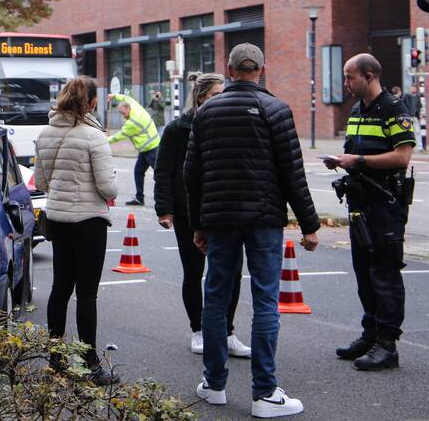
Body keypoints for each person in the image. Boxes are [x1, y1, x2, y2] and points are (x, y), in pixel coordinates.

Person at [184, 43, 319, 418]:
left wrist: (197, 224)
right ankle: (265, 392)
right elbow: (293, 173)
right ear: (262, 69)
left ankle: (214, 385)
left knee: (216, 299)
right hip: (264, 219)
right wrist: (309, 225)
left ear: (229, 70)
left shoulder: (207, 111)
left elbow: (191, 173)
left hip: (220, 220)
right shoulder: (276, 109)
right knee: (265, 301)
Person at [325, 53, 414, 372]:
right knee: (364, 272)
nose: (346, 83)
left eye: (350, 77)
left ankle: (387, 345)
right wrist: (342, 161)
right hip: (360, 203)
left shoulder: (393, 109)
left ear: (369, 76)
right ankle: (371, 334)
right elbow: (355, 151)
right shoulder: (357, 110)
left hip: (385, 204)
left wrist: (359, 161)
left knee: (384, 273)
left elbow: (402, 157)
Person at [154, 72, 250, 359]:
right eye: (216, 95)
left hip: (225, 208)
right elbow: (163, 170)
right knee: (194, 272)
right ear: (200, 97)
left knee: (233, 272)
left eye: (224, 94)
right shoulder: (177, 129)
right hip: (189, 210)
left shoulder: (230, 125)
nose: (222, 100)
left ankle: (227, 332)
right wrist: (164, 208)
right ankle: (198, 330)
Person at [34, 76, 119, 385]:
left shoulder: (45, 134)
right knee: (86, 294)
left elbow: (41, 183)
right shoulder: (94, 137)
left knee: (60, 289)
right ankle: (89, 363)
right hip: (89, 223)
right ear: (92, 103)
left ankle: (55, 360)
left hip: (58, 220)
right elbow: (108, 187)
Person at [106, 92, 160, 206]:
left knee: (160, 175)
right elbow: (126, 97)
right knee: (138, 171)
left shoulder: (132, 123)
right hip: (146, 149)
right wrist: (114, 96)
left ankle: (167, 197)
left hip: (151, 149)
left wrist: (104, 140)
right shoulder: (134, 105)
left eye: (123, 113)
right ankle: (139, 198)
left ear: (128, 108)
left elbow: (119, 136)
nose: (123, 116)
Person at [401, 84, 424, 153]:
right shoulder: (406, 96)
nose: (413, 89)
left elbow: (419, 106)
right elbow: (403, 105)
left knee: (417, 132)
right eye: (412, 88)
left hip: (415, 116)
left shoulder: (417, 97)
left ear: (416, 89)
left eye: (414, 88)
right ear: (410, 89)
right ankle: (409, 147)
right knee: (408, 132)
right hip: (408, 117)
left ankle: (420, 147)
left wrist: (420, 115)